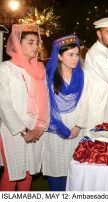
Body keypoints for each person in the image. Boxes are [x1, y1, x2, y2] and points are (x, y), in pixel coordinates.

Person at [0, 24, 49, 191]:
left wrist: (40, 127)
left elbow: (46, 101)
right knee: (12, 173)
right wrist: (23, 131)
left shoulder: (39, 69)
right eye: (30, 42)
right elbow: (4, 105)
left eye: (37, 42)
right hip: (13, 131)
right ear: (17, 44)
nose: (36, 46)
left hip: (36, 129)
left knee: (28, 172)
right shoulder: (5, 69)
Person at [42, 34, 88, 191]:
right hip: (55, 127)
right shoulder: (48, 77)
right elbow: (46, 105)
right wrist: (59, 126)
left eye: (77, 54)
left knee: (72, 167)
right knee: (56, 168)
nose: (75, 58)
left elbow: (84, 102)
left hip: (75, 126)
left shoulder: (82, 75)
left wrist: (78, 126)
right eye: (70, 55)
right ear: (60, 56)